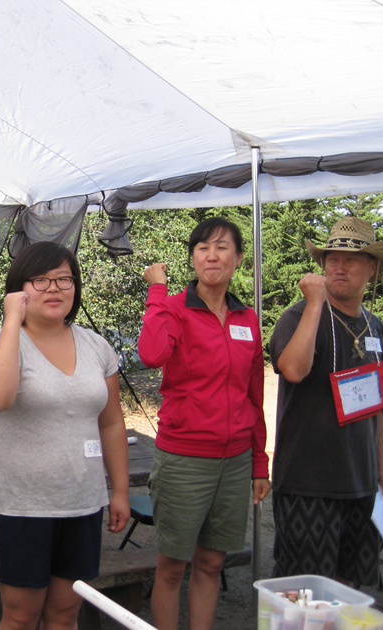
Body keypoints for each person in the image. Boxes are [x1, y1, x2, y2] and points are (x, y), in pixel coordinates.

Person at [0, 240, 130, 630]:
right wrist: (12, 321)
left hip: (82, 502)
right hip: (21, 507)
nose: (54, 288)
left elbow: (111, 422)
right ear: (19, 289)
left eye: (63, 279)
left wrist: (120, 491)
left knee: (64, 615)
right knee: (21, 617)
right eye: (40, 280)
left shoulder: (96, 346)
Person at [137, 217, 269, 630]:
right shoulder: (174, 308)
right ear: (193, 257)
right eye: (203, 248)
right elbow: (151, 354)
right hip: (184, 459)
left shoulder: (247, 318)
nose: (212, 256)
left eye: (222, 247)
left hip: (235, 461)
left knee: (211, 563)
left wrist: (260, 462)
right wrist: (156, 291)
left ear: (238, 258)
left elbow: (255, 396)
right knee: (172, 567)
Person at [270, 217, 383, 586]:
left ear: (371, 269)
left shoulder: (375, 327)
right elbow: (293, 369)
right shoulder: (299, 315)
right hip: (308, 483)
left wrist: (381, 466)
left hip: (362, 481)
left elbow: (378, 403)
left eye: (351, 260)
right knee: (305, 592)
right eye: (333, 259)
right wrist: (315, 304)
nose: (340, 267)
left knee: (350, 586)